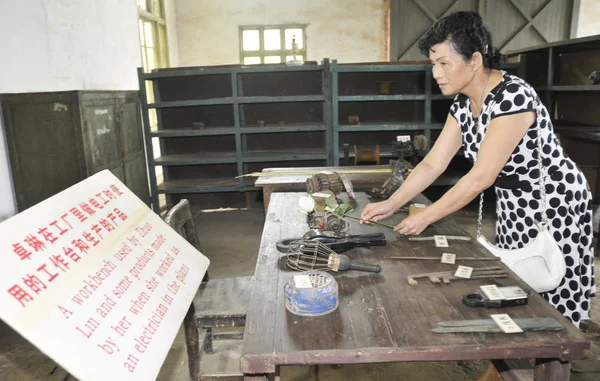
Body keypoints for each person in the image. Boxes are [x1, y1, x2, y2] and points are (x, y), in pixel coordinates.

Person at [359, 11, 595, 327]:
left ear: (474, 60)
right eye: (433, 64)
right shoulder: (462, 104)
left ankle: (562, 356)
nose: (436, 73)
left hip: (554, 200)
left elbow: (482, 176)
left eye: (444, 63)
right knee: (518, 279)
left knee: (553, 282)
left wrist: (426, 216)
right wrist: (392, 203)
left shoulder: (513, 96)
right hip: (514, 201)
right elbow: (433, 163)